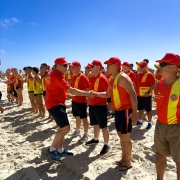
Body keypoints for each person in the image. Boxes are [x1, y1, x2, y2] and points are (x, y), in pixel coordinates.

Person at [93, 57, 138, 170]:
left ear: (115, 66)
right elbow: (108, 94)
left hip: (126, 111)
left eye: (108, 65)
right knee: (121, 136)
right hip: (118, 111)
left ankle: (127, 162)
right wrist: (95, 94)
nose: (106, 67)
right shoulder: (113, 78)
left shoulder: (122, 77)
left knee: (126, 137)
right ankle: (123, 159)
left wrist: (135, 113)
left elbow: (133, 94)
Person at [45, 57, 92, 161]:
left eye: (68, 66)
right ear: (57, 66)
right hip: (55, 105)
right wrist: (87, 93)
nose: (67, 68)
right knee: (66, 129)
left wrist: (66, 95)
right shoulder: (56, 75)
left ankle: (60, 150)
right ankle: (51, 150)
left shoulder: (54, 74)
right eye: (65, 66)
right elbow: (72, 89)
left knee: (61, 128)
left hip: (57, 103)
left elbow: (54, 89)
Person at [154, 53, 180, 180]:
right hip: (160, 126)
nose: (159, 67)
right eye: (160, 64)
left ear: (174, 67)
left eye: (163, 64)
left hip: (177, 128)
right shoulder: (159, 84)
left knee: (179, 162)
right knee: (160, 155)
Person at [85, 60, 110, 155]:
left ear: (98, 67)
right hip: (92, 105)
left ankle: (106, 144)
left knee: (103, 126)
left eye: (92, 66)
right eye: (90, 67)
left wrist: (95, 94)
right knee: (95, 124)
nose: (90, 68)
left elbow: (108, 95)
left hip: (101, 106)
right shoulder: (91, 77)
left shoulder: (103, 78)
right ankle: (96, 139)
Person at [69, 61, 90, 142]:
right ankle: (77, 131)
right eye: (71, 67)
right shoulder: (73, 76)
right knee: (77, 117)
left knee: (84, 118)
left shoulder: (83, 77)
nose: (71, 69)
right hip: (74, 100)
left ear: (78, 67)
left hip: (82, 101)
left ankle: (86, 134)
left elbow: (88, 90)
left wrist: (89, 101)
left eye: (73, 67)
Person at [136, 61, 156, 130]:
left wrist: (148, 91)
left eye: (142, 67)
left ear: (145, 67)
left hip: (147, 96)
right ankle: (140, 121)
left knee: (148, 110)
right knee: (140, 109)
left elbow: (154, 85)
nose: (140, 68)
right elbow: (136, 85)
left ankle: (149, 122)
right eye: (140, 67)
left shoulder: (149, 74)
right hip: (139, 96)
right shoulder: (138, 74)